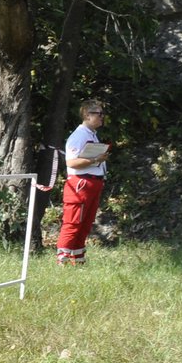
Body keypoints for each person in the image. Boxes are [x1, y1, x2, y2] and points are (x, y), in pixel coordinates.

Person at [57, 99, 110, 265]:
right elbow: (71, 162)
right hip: (80, 184)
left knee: (85, 223)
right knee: (73, 221)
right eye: (98, 114)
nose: (102, 117)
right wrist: (96, 159)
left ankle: (78, 258)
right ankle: (62, 260)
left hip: (92, 183)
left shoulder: (91, 134)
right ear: (87, 115)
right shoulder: (78, 135)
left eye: (102, 114)